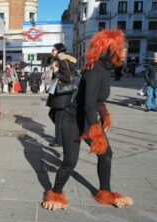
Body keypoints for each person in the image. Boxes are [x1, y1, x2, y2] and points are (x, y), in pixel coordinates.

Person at [42, 29, 134, 210]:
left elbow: (97, 100)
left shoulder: (106, 69)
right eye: (121, 47)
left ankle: (105, 192)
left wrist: (104, 112)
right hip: (73, 120)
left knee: (106, 154)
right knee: (70, 161)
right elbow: (89, 104)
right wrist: (95, 129)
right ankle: (55, 193)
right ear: (109, 48)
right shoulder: (94, 71)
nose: (124, 50)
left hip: (87, 117)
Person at [46, 43, 77, 147]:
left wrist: (56, 73)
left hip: (61, 95)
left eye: (53, 49)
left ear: (58, 50)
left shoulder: (62, 61)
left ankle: (59, 141)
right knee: (54, 115)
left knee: (58, 118)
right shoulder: (62, 60)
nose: (52, 51)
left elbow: (67, 77)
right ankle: (64, 135)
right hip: (61, 94)